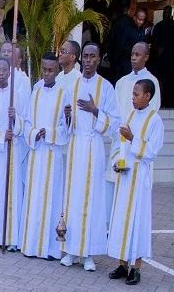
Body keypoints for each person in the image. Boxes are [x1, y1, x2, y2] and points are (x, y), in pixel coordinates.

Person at [60, 42, 119, 271]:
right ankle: (72, 251)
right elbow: (65, 124)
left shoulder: (106, 87)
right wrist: (67, 117)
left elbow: (114, 123)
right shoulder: (72, 86)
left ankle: (88, 254)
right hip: (76, 145)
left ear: (98, 59)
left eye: (92, 57)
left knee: (92, 198)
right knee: (73, 198)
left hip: (94, 146)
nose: (87, 60)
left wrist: (96, 111)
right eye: (85, 56)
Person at [106, 79, 163, 286]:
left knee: (136, 223)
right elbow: (119, 145)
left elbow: (152, 151)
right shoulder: (129, 115)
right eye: (132, 94)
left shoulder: (155, 120)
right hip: (125, 176)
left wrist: (132, 138)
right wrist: (115, 162)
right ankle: (122, 264)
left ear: (147, 96)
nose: (132, 97)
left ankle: (136, 268)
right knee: (121, 221)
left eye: (136, 94)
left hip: (139, 178)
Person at [21, 53, 68, 260]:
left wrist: (48, 133)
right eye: (44, 70)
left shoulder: (63, 94)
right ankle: (31, 245)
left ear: (57, 70)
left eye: (51, 70)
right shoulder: (36, 91)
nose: (47, 74)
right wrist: (33, 133)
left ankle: (50, 248)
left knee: (51, 199)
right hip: (37, 153)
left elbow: (65, 127)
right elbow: (27, 122)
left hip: (52, 153)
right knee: (34, 198)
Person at [107, 41, 160, 225]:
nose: (134, 57)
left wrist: (133, 138)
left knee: (136, 200)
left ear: (146, 57)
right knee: (117, 193)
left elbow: (150, 114)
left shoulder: (151, 82)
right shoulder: (122, 82)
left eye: (138, 54)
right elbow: (115, 112)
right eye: (132, 54)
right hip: (121, 142)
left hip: (139, 148)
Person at [0, 58, 29, 250]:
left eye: (4, 70)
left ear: (10, 73)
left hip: (13, 151)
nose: (1, 74)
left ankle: (11, 239)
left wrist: (14, 120)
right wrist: (2, 135)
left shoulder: (17, 96)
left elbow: (25, 123)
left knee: (12, 193)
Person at [151, 5, 174, 107]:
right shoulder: (159, 26)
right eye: (165, 12)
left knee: (169, 81)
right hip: (159, 59)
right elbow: (154, 40)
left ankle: (168, 101)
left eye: (168, 13)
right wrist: (157, 49)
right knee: (159, 80)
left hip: (170, 58)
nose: (166, 14)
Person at [115, 9, 147, 79]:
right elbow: (121, 45)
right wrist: (134, 52)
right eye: (139, 19)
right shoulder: (127, 30)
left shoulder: (142, 30)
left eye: (143, 20)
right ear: (134, 17)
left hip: (138, 63)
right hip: (127, 62)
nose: (141, 22)